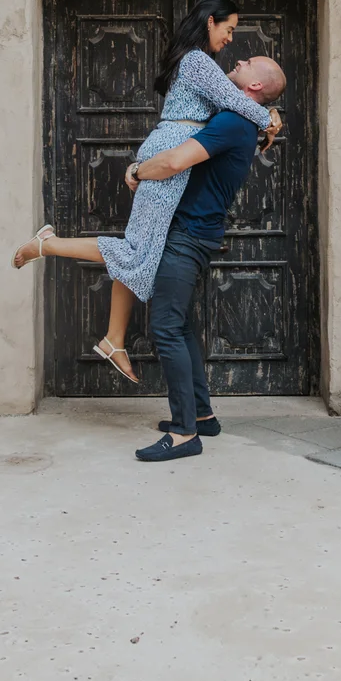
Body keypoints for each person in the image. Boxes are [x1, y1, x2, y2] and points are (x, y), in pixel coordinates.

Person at [12, 0, 282, 383]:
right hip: (170, 154)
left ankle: (114, 339)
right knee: (137, 250)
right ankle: (47, 245)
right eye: (229, 28)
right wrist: (269, 120)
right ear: (210, 22)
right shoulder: (197, 60)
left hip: (174, 152)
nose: (230, 38)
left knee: (140, 248)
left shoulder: (201, 63)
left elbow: (237, 97)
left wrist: (268, 111)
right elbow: (233, 101)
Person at [132, 51, 287, 463]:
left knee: (166, 327)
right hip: (196, 233)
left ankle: (184, 433)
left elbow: (174, 161)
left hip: (188, 236)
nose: (238, 60)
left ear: (255, 85)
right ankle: (202, 416)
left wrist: (136, 172)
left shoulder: (233, 122)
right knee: (180, 325)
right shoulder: (240, 119)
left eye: (249, 62)